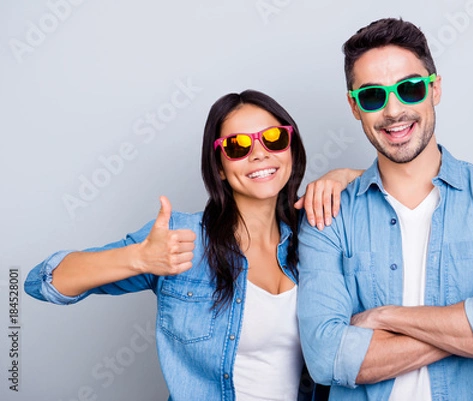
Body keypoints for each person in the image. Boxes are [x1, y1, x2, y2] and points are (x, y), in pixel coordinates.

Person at [25, 89, 358, 401]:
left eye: (274, 139)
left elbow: (396, 190)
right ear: (220, 168)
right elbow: (42, 281)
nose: (259, 154)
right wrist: (138, 258)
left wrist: (342, 175)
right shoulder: (183, 237)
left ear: (292, 149)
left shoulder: (317, 234)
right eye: (238, 146)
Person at [297, 17, 473, 401]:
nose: (394, 110)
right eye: (372, 96)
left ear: (435, 89)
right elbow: (327, 357)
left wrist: (385, 317)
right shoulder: (328, 216)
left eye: (410, 88)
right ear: (354, 107)